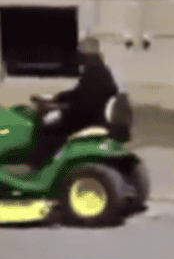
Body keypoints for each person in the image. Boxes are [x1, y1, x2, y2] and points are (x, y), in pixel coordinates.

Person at [27, 37, 119, 169]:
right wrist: (56, 99)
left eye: (81, 56)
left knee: (47, 129)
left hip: (88, 119)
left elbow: (83, 105)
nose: (79, 59)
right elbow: (78, 94)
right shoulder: (99, 72)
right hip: (92, 115)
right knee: (52, 122)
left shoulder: (95, 75)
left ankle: (36, 166)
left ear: (87, 57)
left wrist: (60, 107)